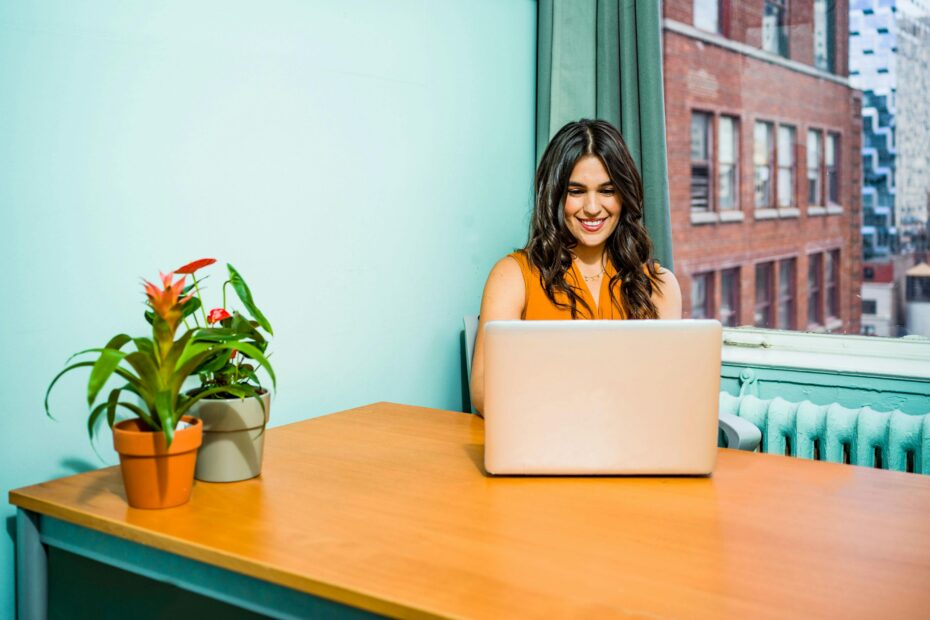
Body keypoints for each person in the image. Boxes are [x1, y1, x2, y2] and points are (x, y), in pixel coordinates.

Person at [470, 119, 682, 415]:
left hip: (632, 449)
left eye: (607, 190)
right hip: (542, 441)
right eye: (576, 191)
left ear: (624, 195)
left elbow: (669, 393)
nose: (593, 207)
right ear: (556, 195)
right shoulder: (512, 277)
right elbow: (483, 394)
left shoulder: (660, 285)